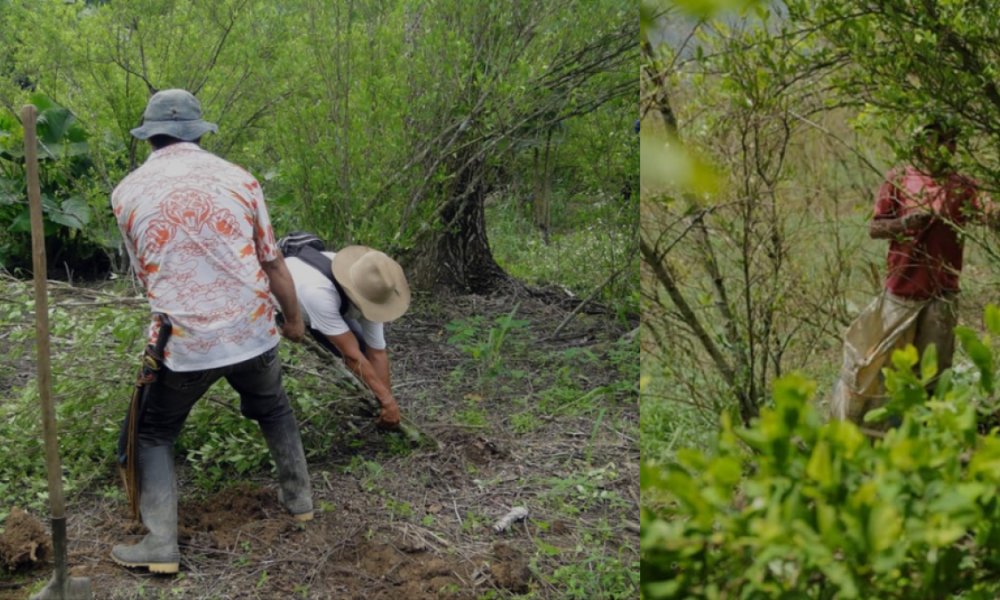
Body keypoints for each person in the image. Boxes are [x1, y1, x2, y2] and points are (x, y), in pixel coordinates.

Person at [109, 89, 310, 575]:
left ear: (149, 136)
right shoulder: (241, 180)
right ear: (199, 132)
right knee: (274, 406)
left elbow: (144, 276)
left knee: (154, 433)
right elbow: (273, 262)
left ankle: (160, 545)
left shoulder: (125, 193)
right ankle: (300, 501)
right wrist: (294, 320)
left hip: (184, 346)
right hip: (253, 332)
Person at [832, 116, 992, 426]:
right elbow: (875, 228)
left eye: (952, 141)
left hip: (941, 294)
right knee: (881, 367)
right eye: (943, 140)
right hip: (901, 292)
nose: (950, 147)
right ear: (924, 144)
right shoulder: (899, 179)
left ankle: (927, 434)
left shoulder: (961, 185)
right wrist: (903, 225)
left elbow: (988, 212)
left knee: (933, 373)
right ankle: (869, 431)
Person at [279, 238, 409, 430]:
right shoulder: (318, 292)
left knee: (363, 350)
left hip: (333, 304)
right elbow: (352, 356)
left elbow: (377, 353)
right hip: (286, 304)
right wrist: (388, 402)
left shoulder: (373, 287)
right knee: (345, 356)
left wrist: (388, 402)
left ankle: (374, 407)